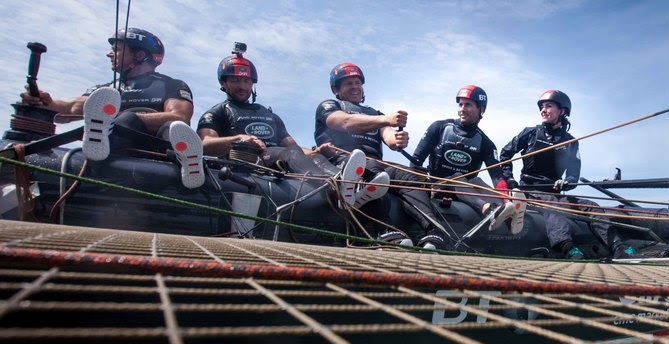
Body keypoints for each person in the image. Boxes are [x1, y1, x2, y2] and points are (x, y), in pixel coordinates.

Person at [19, 28, 204, 189]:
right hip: (116, 147)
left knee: (169, 127)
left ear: (139, 55)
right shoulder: (106, 91)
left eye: (117, 50)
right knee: (118, 116)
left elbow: (180, 116)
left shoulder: (171, 85)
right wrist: (46, 102)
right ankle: (98, 143)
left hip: (158, 147)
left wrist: (122, 117)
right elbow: (73, 106)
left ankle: (188, 161)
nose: (109, 54)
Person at [197, 44, 375, 206]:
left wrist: (317, 151)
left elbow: (295, 147)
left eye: (246, 81)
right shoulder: (217, 112)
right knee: (288, 153)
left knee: (316, 158)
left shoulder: (269, 115)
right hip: (247, 163)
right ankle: (339, 186)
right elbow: (204, 145)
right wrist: (239, 138)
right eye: (235, 80)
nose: (242, 86)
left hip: (279, 161)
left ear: (252, 83)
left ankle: (351, 185)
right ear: (223, 83)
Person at [499, 90, 633, 259]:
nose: (543, 110)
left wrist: (568, 182)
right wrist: (509, 178)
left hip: (554, 191)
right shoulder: (530, 133)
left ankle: (617, 246)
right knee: (553, 204)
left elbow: (573, 173)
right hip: (529, 190)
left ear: (562, 111)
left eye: (549, 106)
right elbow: (504, 154)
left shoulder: (571, 142)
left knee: (591, 205)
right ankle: (567, 247)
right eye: (541, 107)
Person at [314, 62, 419, 244]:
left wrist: (398, 139)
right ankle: (386, 233)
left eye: (357, 83)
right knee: (368, 166)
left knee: (408, 175)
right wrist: (385, 119)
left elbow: (390, 139)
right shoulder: (329, 106)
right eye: (348, 83)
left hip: (376, 164)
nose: (355, 87)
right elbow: (343, 122)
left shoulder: (374, 113)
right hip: (343, 161)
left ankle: (433, 233)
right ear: (336, 89)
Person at [408, 85, 526, 237]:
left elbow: (497, 176)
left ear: (481, 109)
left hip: (467, 191)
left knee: (476, 179)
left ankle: (508, 212)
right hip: (436, 188)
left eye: (468, 105)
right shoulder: (439, 127)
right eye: (460, 104)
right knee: (457, 176)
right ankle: (489, 210)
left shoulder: (486, 143)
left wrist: (505, 196)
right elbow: (415, 161)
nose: (462, 109)